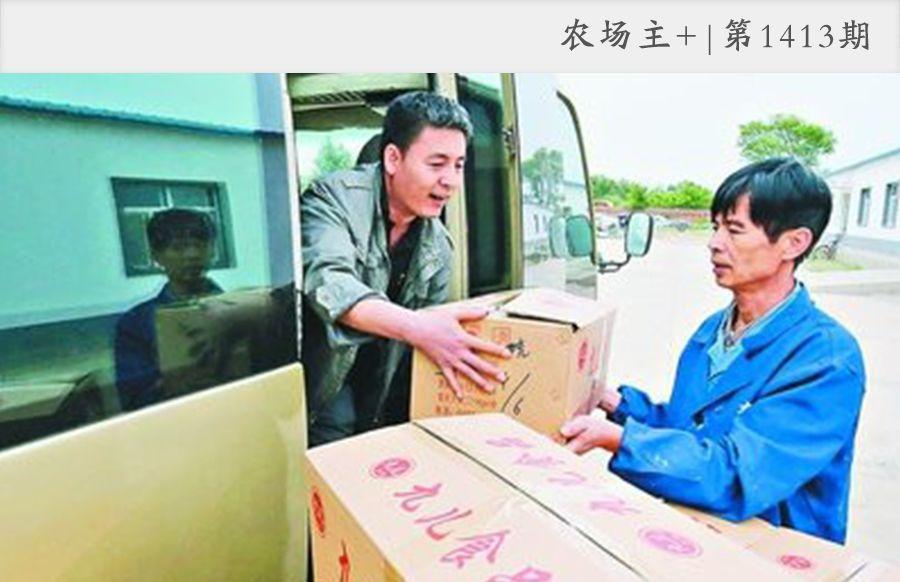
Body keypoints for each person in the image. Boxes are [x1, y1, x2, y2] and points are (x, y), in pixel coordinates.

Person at [561, 158, 865, 544]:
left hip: (771, 555)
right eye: (715, 227)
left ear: (794, 242)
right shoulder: (713, 331)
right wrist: (616, 405)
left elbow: (738, 476)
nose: (715, 243)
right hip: (696, 537)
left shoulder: (826, 359)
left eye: (734, 230)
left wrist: (620, 441)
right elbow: (691, 429)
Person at [301, 91, 510, 447]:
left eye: (459, 165)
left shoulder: (438, 246)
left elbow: (425, 343)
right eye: (437, 164)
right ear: (393, 159)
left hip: (379, 388)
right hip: (324, 384)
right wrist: (418, 327)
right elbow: (330, 284)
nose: (451, 180)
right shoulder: (332, 198)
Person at [114, 208, 222, 411]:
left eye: (200, 245)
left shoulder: (241, 309)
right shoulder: (136, 324)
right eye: (178, 247)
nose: (192, 255)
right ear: (157, 256)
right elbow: (134, 398)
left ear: (213, 250)